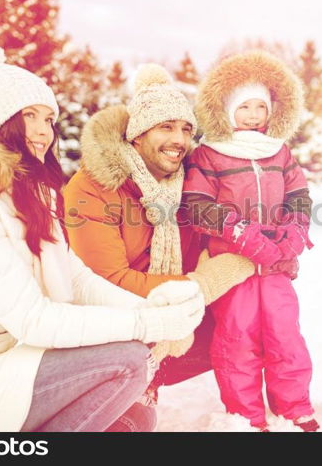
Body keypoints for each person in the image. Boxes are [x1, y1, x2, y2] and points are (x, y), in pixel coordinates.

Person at [0, 43, 205, 432]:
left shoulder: (32, 196)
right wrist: (146, 328)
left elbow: (78, 280)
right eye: (30, 116)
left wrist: (151, 312)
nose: (44, 130)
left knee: (138, 418)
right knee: (128, 361)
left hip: (10, 365)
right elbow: (32, 320)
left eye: (49, 118)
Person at [63, 64, 255, 401]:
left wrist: (268, 252)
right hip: (109, 321)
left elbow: (224, 234)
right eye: (165, 127)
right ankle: (120, 382)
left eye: (185, 129)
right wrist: (202, 285)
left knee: (253, 315)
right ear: (137, 135)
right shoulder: (94, 186)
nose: (179, 140)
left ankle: (153, 375)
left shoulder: (188, 187)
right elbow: (107, 281)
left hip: (165, 311)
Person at [183, 51, 319, 432]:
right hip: (233, 265)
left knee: (285, 334)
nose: (255, 115)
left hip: (276, 262)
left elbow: (298, 195)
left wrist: (295, 231)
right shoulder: (211, 153)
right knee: (237, 338)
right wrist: (240, 233)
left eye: (261, 106)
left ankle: (294, 406)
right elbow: (197, 204)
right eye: (245, 106)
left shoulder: (278, 150)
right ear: (227, 110)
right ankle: (246, 415)